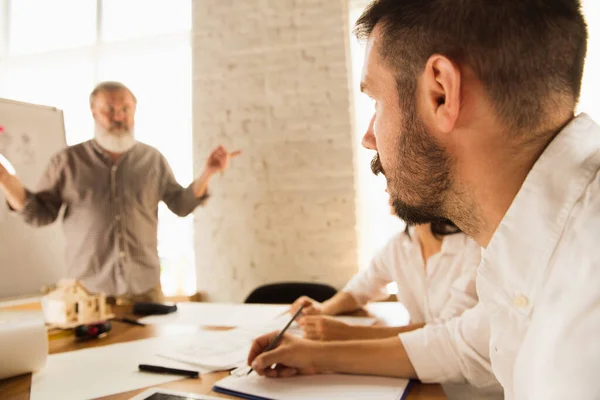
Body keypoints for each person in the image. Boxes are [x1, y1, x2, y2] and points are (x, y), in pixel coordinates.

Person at [248, 0, 600, 398]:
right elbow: (462, 346)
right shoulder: (537, 244)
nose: (368, 137)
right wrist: (313, 355)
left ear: (440, 93)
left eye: (376, 102)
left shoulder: (585, 305)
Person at [0, 81, 240, 304]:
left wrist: (208, 172)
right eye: (110, 109)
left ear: (135, 111)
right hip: (89, 293)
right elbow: (40, 214)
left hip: (146, 291)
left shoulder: (152, 160)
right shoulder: (67, 162)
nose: (119, 117)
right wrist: (6, 179)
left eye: (126, 109)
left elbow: (181, 205)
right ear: (93, 112)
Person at [291, 216, 481, 342]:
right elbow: (361, 288)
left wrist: (348, 333)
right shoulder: (399, 245)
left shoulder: (474, 248)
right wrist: (322, 309)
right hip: (424, 365)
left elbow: (447, 331)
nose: (387, 188)